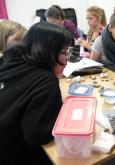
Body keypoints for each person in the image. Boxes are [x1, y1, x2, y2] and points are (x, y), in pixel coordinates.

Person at [0, 22, 72, 164]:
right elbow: (37, 136)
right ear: (48, 51)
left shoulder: (8, 60)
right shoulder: (45, 80)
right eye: (64, 52)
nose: (67, 59)